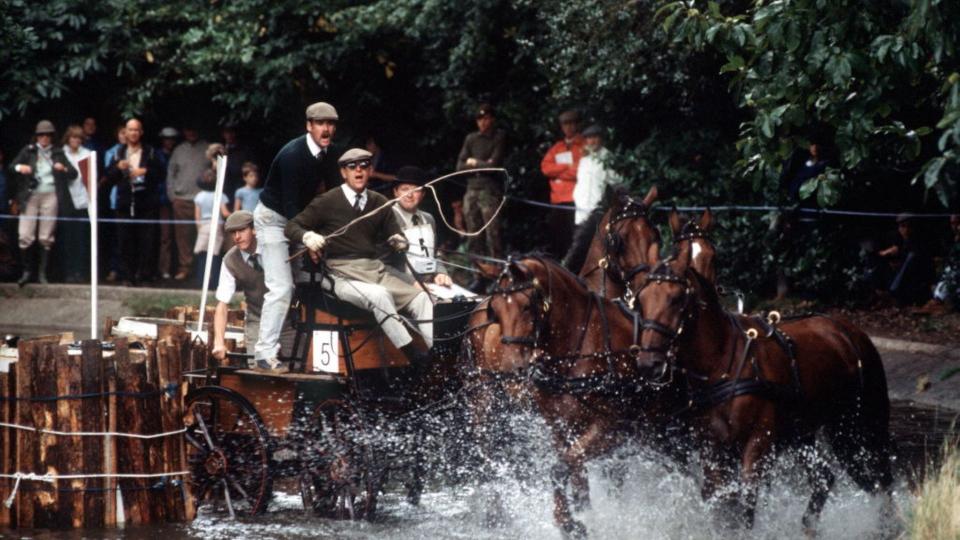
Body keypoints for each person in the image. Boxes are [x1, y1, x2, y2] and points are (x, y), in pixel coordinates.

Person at [285, 148, 433, 367]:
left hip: (374, 270)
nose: (358, 171)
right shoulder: (327, 201)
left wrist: (399, 240)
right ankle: (414, 357)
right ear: (343, 173)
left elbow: (395, 233)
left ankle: (437, 354)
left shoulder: (379, 202)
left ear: (370, 171)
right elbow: (292, 226)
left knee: (421, 298)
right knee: (380, 295)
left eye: (364, 166)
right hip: (339, 273)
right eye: (352, 167)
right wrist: (308, 236)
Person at [254, 101, 343, 370]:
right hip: (274, 218)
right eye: (320, 123)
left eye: (330, 124)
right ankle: (263, 353)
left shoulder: (330, 154)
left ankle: (305, 352)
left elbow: (333, 196)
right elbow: (292, 206)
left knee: (312, 281)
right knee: (281, 287)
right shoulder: (293, 155)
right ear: (309, 126)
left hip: (300, 218)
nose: (326, 129)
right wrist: (308, 239)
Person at [211, 211, 295, 368]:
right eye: (232, 233)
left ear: (254, 229)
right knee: (258, 371)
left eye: (242, 230)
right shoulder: (230, 260)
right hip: (257, 319)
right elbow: (222, 304)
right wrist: (219, 342)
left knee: (297, 369)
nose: (237, 237)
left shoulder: (275, 247)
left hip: (289, 320)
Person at [10, 120, 78, 286]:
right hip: (30, 195)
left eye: (48, 135)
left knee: (46, 236)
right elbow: (11, 167)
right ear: (36, 136)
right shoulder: (28, 150)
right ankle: (27, 272)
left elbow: (74, 173)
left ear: (52, 137)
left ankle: (42, 273)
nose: (44, 138)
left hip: (50, 194)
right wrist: (21, 168)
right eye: (41, 134)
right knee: (25, 234)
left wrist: (63, 168)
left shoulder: (58, 152)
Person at [105, 118, 165, 285]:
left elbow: (161, 173)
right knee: (125, 240)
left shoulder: (150, 151)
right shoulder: (118, 152)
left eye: (136, 130)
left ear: (141, 132)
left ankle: (145, 276)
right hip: (124, 201)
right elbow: (108, 176)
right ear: (125, 132)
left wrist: (145, 171)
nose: (133, 133)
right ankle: (128, 276)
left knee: (148, 240)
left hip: (146, 201)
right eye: (130, 130)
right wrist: (118, 168)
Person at [387, 166, 453, 287]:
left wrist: (440, 272)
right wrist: (411, 282)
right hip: (402, 284)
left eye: (416, 190)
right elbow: (382, 264)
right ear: (395, 192)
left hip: (432, 283)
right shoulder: (387, 218)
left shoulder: (428, 219)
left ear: (422, 194)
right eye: (404, 189)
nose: (409, 195)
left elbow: (435, 253)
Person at [456, 103, 506, 259]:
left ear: (492, 119)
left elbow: (494, 166)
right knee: (473, 233)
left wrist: (474, 163)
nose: (483, 122)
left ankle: (497, 271)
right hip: (471, 189)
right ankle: (478, 272)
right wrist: (482, 163)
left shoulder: (499, 136)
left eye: (486, 118)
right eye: (479, 119)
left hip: (489, 190)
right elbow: (459, 167)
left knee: (493, 232)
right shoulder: (471, 139)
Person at [864, 213, 935, 306]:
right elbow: (884, 251)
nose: (905, 230)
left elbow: (917, 257)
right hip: (897, 272)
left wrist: (900, 254)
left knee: (911, 257)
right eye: (903, 226)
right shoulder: (896, 237)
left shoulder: (919, 240)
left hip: (913, 275)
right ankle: (874, 291)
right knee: (875, 259)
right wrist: (887, 253)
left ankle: (893, 293)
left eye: (908, 226)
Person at [540, 109, 584, 258]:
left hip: (574, 200)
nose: (569, 127)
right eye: (565, 124)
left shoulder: (584, 146)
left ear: (578, 125)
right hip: (557, 201)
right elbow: (546, 168)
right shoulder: (557, 147)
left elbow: (579, 170)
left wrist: (558, 173)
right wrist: (567, 167)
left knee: (574, 239)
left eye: (572, 123)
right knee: (557, 240)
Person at [166, 126, 208, 280]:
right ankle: (185, 268)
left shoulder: (207, 148)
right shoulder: (178, 150)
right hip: (181, 200)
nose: (191, 132)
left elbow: (215, 172)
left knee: (204, 235)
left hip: (202, 200)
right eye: (188, 130)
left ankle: (202, 270)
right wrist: (172, 196)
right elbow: (170, 174)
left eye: (194, 129)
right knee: (183, 238)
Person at [60, 125, 94, 282]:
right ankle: (68, 273)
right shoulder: (60, 153)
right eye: (73, 137)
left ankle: (80, 273)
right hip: (65, 202)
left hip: (82, 201)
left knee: (81, 239)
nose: (76, 140)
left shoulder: (88, 154)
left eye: (79, 138)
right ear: (68, 138)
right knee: (67, 239)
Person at [572, 124, 622, 227]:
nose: (592, 141)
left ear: (601, 138)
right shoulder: (584, 159)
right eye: (589, 138)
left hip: (599, 211)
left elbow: (617, 182)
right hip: (582, 210)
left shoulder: (608, 157)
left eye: (595, 137)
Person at [193, 144, 231, 260]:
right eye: (214, 157)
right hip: (212, 207)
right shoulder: (207, 171)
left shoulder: (228, 168)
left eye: (219, 156)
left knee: (221, 247)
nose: (216, 160)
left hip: (225, 201)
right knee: (207, 250)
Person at [156, 127, 180, 279]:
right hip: (163, 200)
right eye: (166, 138)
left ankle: (179, 269)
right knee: (165, 236)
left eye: (172, 138)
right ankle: (164, 269)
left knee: (181, 235)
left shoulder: (179, 153)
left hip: (179, 198)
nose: (169, 141)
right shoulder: (157, 155)